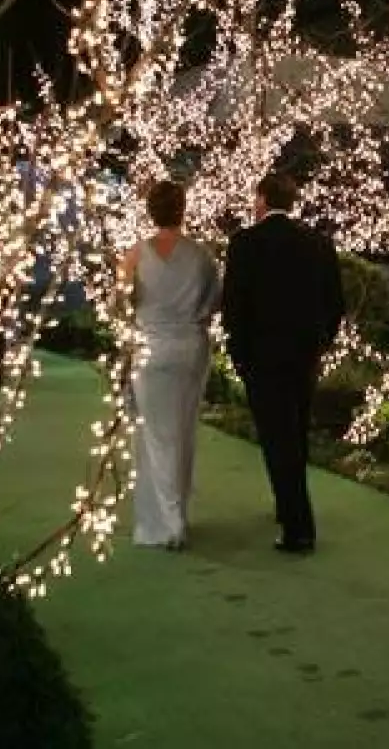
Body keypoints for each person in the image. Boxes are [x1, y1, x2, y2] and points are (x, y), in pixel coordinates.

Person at [221, 173, 345, 553]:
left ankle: (298, 526)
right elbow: (335, 303)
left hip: (262, 357)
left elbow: (234, 307)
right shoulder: (318, 243)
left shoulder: (244, 243)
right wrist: (321, 342)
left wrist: (238, 355)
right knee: (296, 432)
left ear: (261, 200)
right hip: (304, 354)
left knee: (278, 439)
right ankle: (286, 506)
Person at [122, 180, 221, 550]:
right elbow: (214, 302)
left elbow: (123, 304)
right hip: (190, 349)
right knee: (182, 433)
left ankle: (167, 520)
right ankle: (177, 513)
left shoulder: (134, 255)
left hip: (150, 349)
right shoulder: (201, 256)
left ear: (151, 211)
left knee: (154, 437)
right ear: (183, 208)